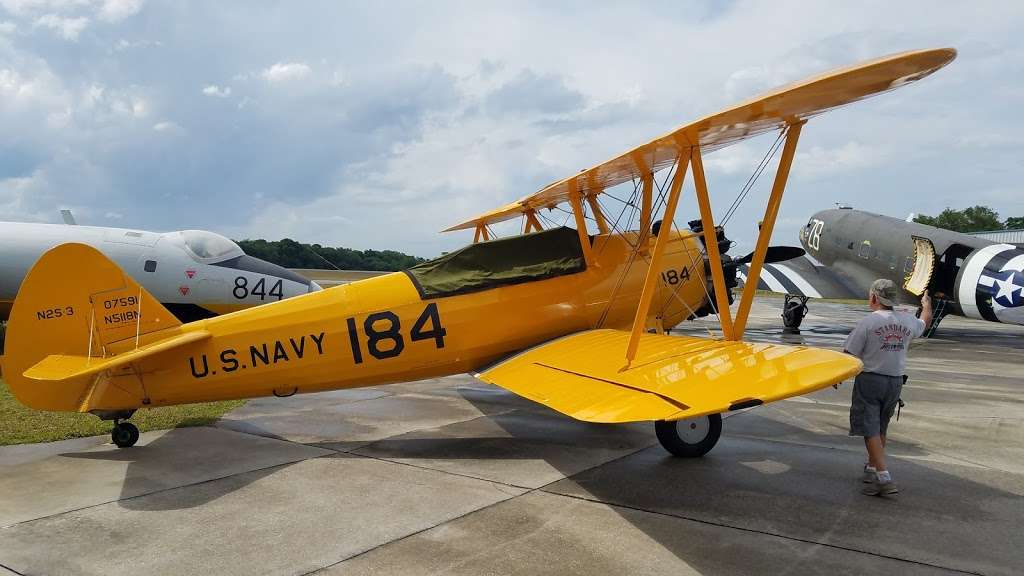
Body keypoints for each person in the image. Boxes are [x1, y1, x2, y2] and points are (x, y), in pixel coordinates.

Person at [843, 278, 932, 497]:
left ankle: (884, 477)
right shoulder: (908, 320)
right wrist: (927, 304)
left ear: (874, 297)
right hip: (895, 382)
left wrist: (837, 375)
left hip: (870, 380)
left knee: (869, 428)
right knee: (881, 427)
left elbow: (850, 353)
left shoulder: (869, 322)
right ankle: (872, 469)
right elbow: (925, 321)